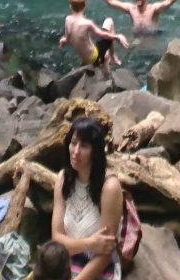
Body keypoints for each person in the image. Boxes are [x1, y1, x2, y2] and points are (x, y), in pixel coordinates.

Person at [51, 116, 125, 280]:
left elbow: (105, 253)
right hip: (66, 263)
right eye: (73, 143)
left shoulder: (109, 187)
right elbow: (57, 239)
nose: (76, 151)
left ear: (95, 151)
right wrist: (90, 243)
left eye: (83, 146)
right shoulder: (63, 179)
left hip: (99, 268)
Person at [60, 0, 118, 70]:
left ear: (70, 5)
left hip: (85, 60)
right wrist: (118, 37)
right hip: (93, 57)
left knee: (94, 40)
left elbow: (68, 39)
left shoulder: (67, 19)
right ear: (84, 5)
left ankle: (106, 58)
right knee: (109, 21)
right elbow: (103, 35)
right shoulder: (87, 23)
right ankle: (109, 65)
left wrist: (63, 41)